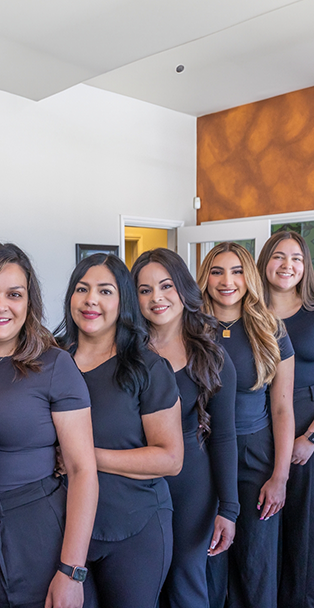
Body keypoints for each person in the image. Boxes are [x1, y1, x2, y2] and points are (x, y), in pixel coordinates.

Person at [0, 242, 98, 608]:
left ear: (28, 302)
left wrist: (71, 571)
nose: (1, 305)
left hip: (34, 532)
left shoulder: (54, 366)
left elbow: (82, 471)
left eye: (14, 294)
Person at [55, 253, 183, 608]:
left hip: (134, 527)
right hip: (62, 530)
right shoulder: (50, 361)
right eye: (82, 289)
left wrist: (86, 459)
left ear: (123, 300)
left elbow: (170, 458)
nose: (91, 299)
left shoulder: (147, 367)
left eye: (105, 291)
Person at [131, 248, 238, 608]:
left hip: (193, 486)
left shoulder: (212, 355)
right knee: (142, 582)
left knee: (184, 582)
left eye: (166, 286)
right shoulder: (125, 352)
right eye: (144, 290)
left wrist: (229, 509)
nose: (156, 298)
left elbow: (224, 436)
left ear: (184, 289)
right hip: (134, 485)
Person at [198, 242, 295, 608]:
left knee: (255, 566)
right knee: (208, 564)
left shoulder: (271, 329)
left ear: (248, 277)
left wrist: (280, 476)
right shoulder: (190, 328)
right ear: (205, 278)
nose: (227, 281)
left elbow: (283, 409)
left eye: (236, 271)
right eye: (217, 271)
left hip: (256, 458)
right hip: (203, 457)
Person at [257, 231, 314, 608]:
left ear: (305, 267)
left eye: (296, 258)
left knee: (302, 531)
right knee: (263, 525)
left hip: (307, 426)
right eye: (279, 257)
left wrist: (311, 438)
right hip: (259, 425)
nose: (287, 266)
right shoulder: (249, 312)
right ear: (264, 263)